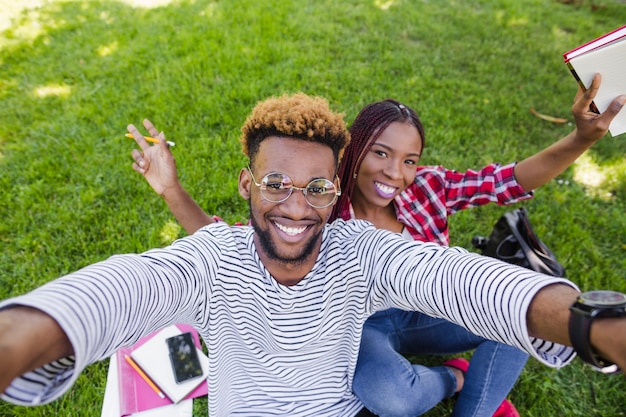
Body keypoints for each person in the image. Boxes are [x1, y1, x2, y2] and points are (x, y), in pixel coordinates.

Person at [1, 91, 626, 417]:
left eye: (316, 189)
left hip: (411, 317)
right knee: (393, 391)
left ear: (333, 191)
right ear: (249, 185)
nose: (297, 206)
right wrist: (22, 337)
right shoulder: (215, 257)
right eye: (275, 184)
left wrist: (585, 323)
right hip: (374, 332)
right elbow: (129, 286)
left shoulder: (364, 246)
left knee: (499, 300)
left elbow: (455, 278)